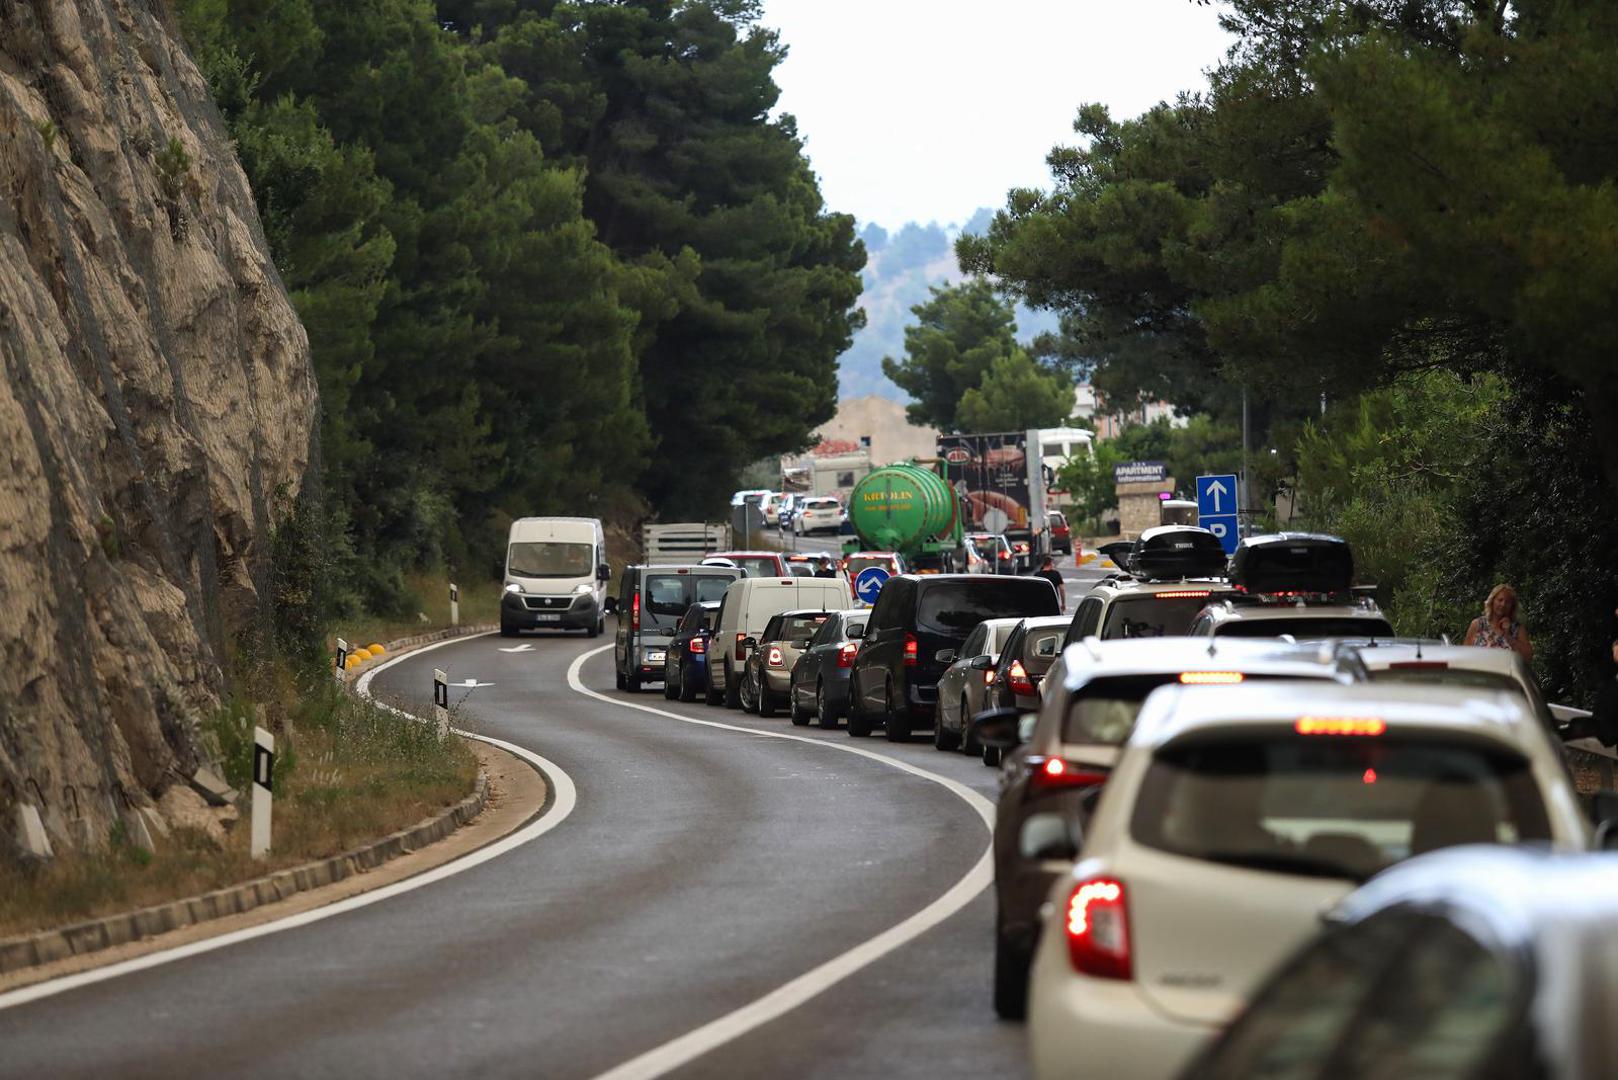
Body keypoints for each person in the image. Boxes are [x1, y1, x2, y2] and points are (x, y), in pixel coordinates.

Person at [1463, 583, 1533, 662]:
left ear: (1512, 606)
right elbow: (1464, 655)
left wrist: (1508, 636)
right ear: (1492, 601)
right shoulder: (1477, 624)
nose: (1503, 604)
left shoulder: (1517, 629)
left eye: (1508, 602)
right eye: (1500, 600)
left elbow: (1528, 658)